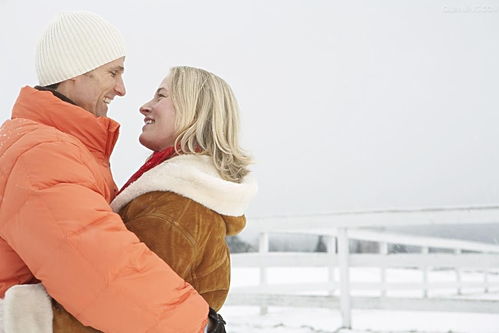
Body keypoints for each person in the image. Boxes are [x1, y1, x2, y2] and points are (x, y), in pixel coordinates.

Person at [0, 11, 225, 333]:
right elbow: (96, 267)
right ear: (75, 73)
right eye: (113, 72)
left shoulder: (59, 146)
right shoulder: (44, 151)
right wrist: (197, 324)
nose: (121, 89)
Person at [51, 66, 258, 331]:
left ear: (193, 111)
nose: (145, 107)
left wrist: (24, 316)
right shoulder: (183, 194)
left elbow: (120, 307)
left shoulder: (175, 207)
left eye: (161, 96)